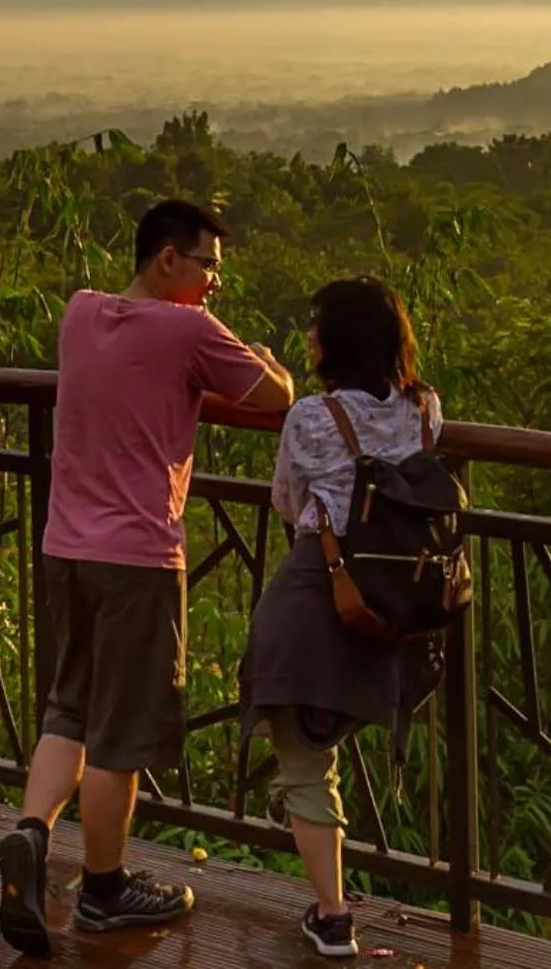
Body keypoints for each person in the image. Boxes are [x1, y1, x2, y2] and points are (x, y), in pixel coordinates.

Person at [0, 199, 295, 958]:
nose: (215, 282)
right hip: (136, 555)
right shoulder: (189, 330)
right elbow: (277, 396)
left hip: (66, 545)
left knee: (69, 707)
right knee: (119, 735)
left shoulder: (80, 312)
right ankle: (103, 891)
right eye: (208, 265)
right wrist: (267, 359)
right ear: (167, 259)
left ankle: (31, 832)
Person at [240, 275, 445, 960]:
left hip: (317, 594)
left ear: (338, 340)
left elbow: (286, 501)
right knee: (322, 738)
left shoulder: (310, 416)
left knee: (303, 755)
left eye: (317, 325)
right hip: (399, 603)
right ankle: (297, 808)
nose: (309, 336)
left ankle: (333, 916)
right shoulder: (426, 409)